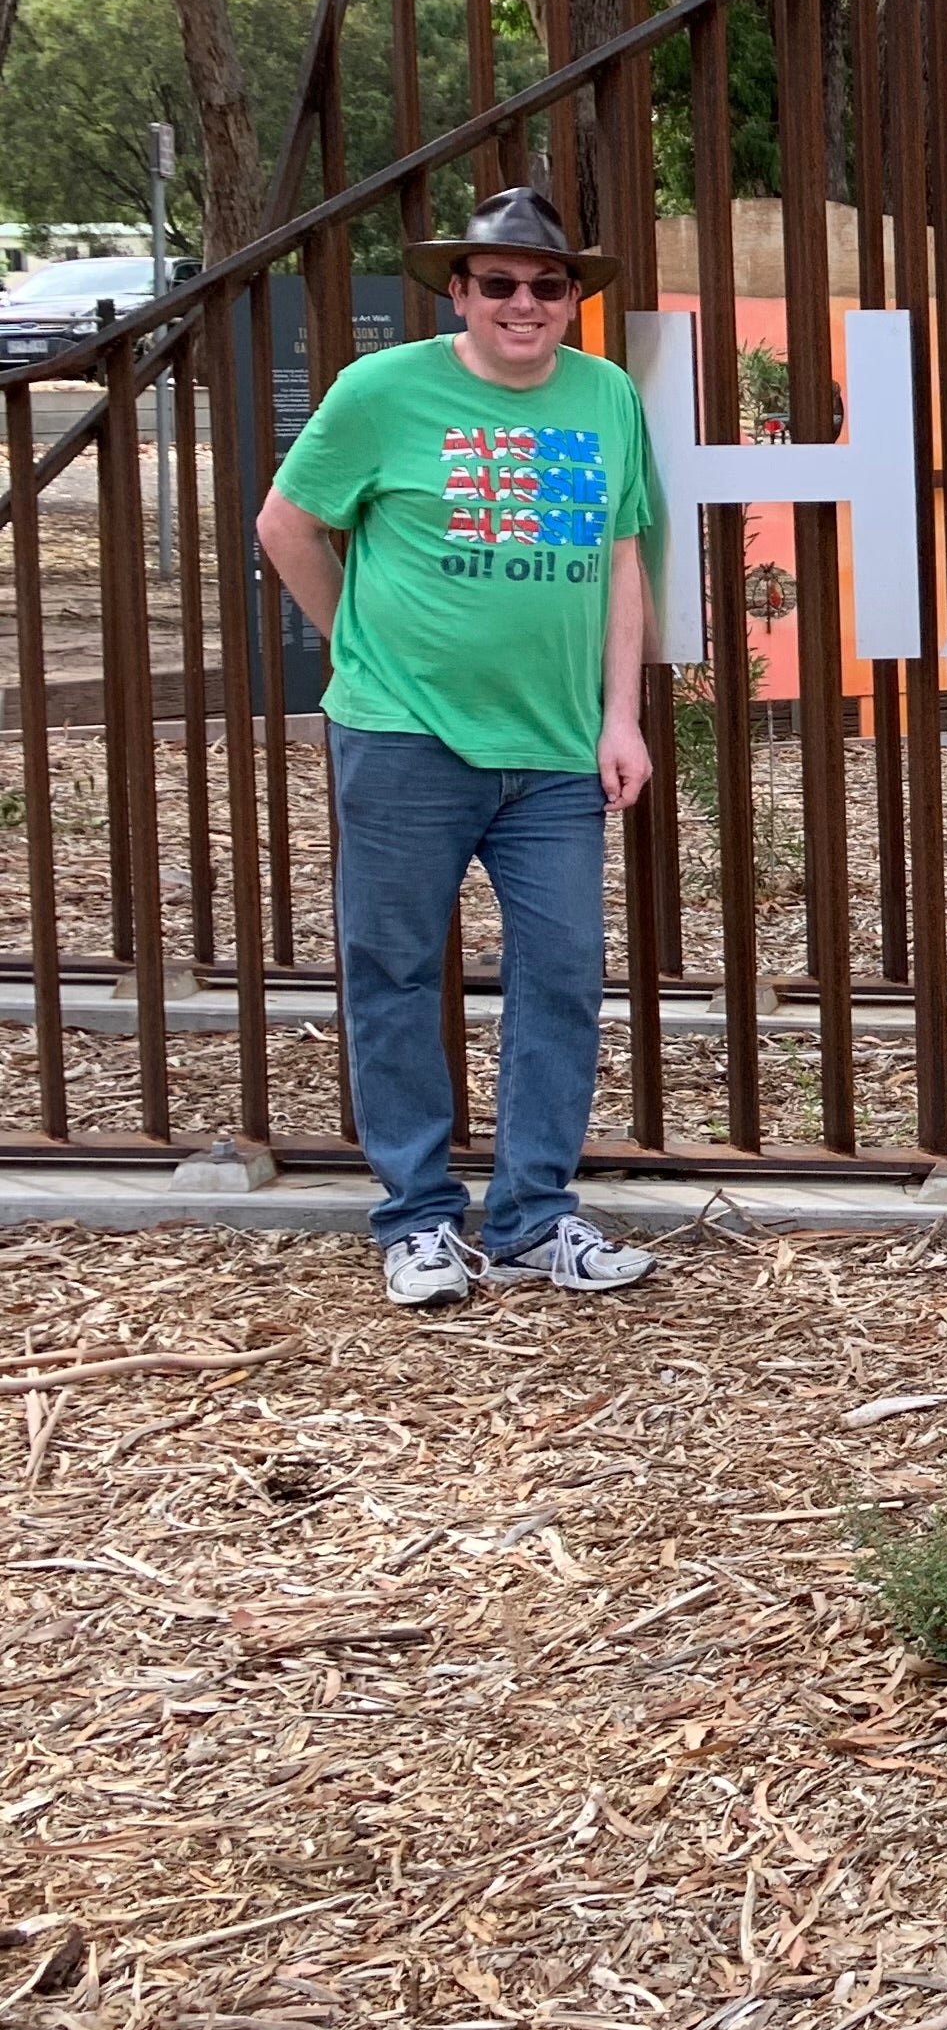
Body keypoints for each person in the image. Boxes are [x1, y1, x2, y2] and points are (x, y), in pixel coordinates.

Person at [254, 188, 661, 1309]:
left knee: (564, 971)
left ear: (574, 298)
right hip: (404, 742)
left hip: (555, 750)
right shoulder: (381, 393)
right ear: (459, 292)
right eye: (498, 283)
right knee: (390, 970)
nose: (523, 302)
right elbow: (287, 523)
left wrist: (619, 716)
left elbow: (622, 560)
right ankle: (419, 1219)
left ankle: (533, 1216)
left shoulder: (605, 396)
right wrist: (359, 649)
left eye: (546, 284)